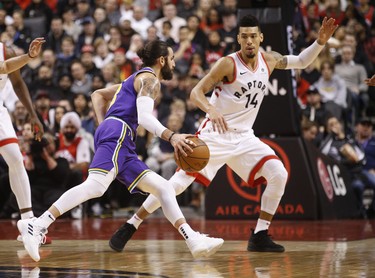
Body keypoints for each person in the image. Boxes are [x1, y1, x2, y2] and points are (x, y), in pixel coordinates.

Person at [108, 15, 338, 253]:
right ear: (239, 39)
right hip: (215, 135)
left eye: (253, 36)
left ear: (260, 38)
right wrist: (211, 109)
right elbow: (196, 93)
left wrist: (319, 42)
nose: (249, 41)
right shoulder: (227, 64)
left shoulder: (268, 60)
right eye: (244, 36)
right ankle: (131, 224)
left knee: (279, 173)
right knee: (176, 185)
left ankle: (259, 234)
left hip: (245, 137)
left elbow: (300, 61)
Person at [17, 39, 224, 262]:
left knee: (164, 188)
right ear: (162, 60)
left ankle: (192, 239)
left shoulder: (133, 79)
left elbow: (97, 94)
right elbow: (144, 118)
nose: (174, 64)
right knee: (95, 186)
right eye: (172, 59)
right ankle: (37, 225)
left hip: (121, 138)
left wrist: (102, 124)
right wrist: (172, 136)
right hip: (120, 132)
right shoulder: (150, 80)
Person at [0, 37, 45, 222]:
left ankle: (28, 222)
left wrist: (33, 114)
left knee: (16, 159)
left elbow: (17, 82)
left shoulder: (5, 50)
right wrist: (28, 57)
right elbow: (3, 68)